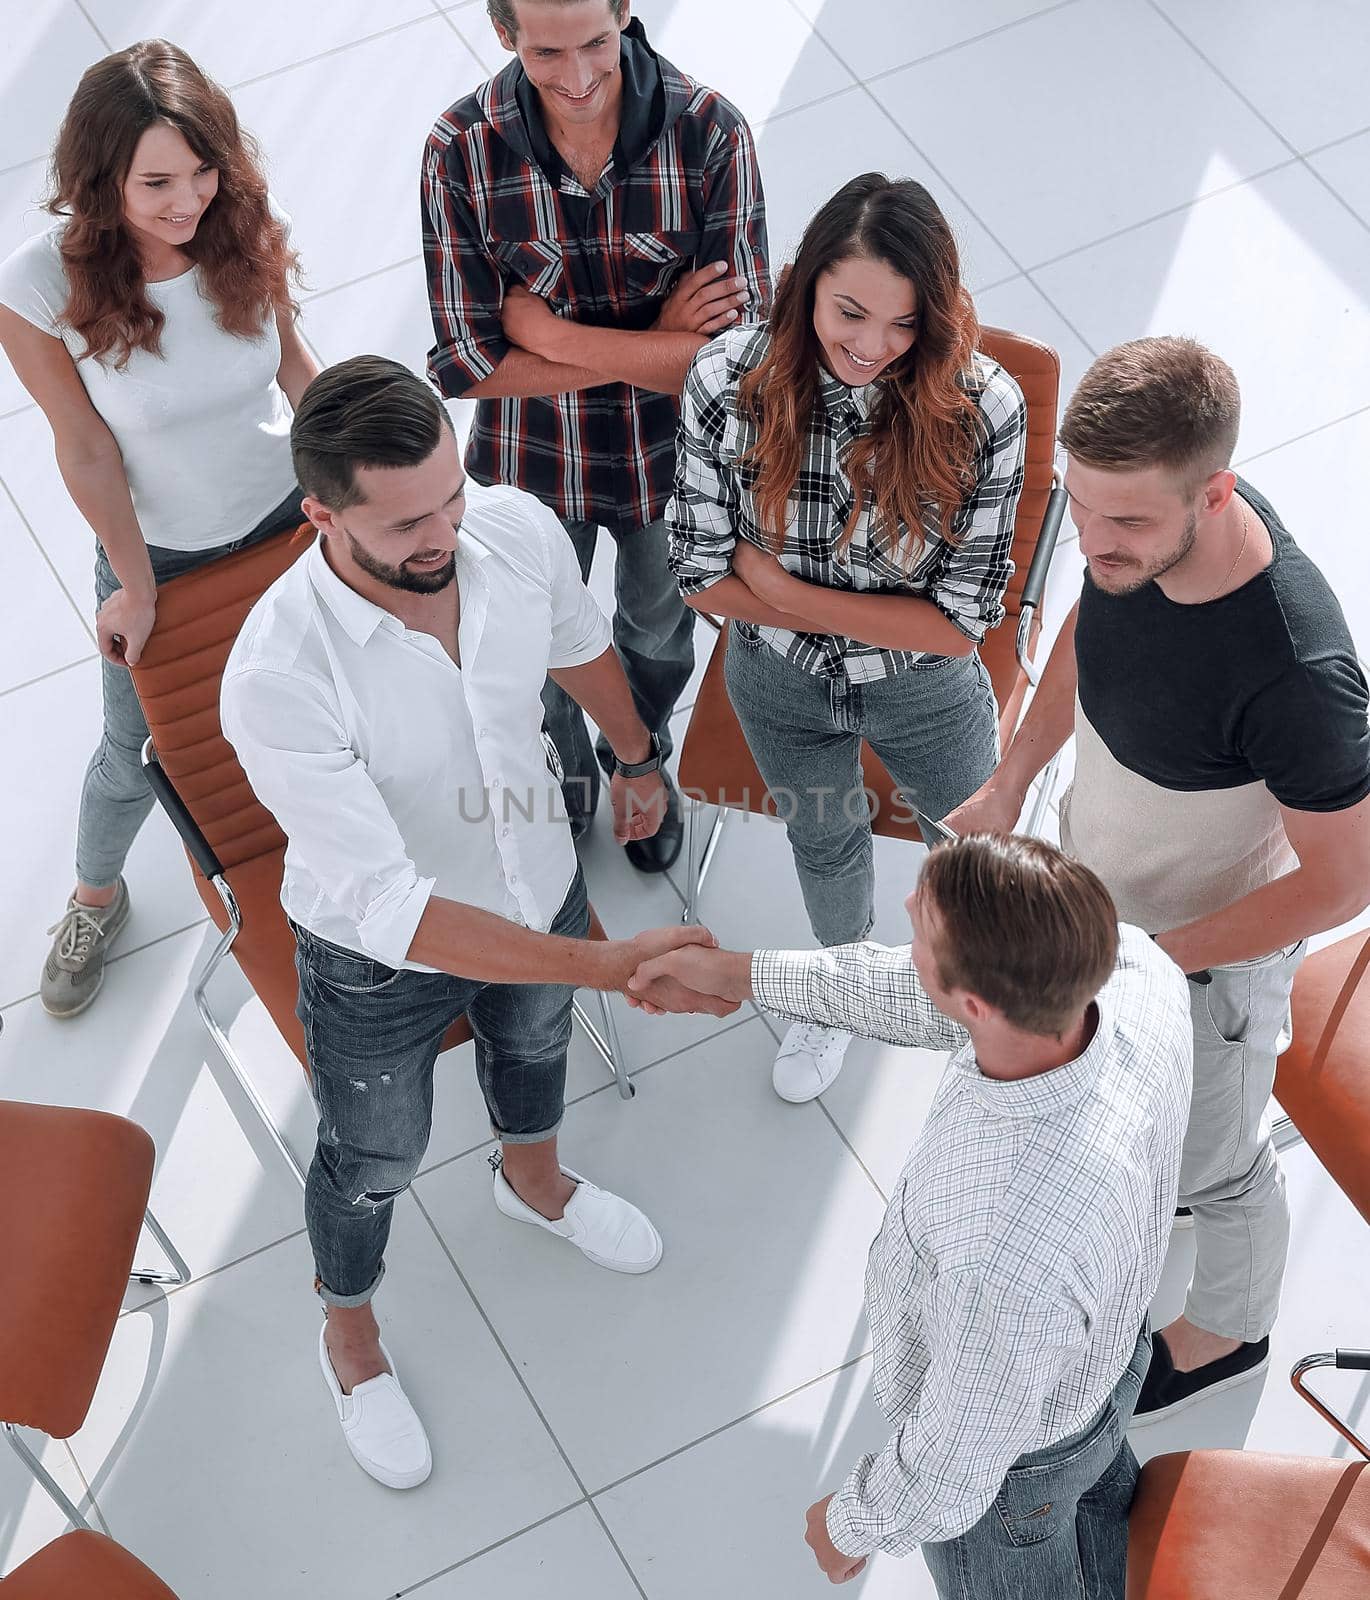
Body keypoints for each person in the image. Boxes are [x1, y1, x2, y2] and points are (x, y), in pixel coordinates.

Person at [222, 357, 725, 1490]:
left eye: (449, 495)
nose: (444, 529)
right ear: (320, 513)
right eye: (406, 521)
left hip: (534, 876)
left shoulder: (505, 525)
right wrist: (603, 958)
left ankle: (532, 1182)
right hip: (375, 959)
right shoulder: (276, 676)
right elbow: (396, 909)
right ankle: (349, 1339)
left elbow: (576, 642)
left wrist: (637, 755)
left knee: (535, 1047)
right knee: (373, 1155)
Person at [947, 337, 1370, 1421]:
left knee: (1216, 1169)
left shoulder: (1298, 674)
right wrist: (1008, 785)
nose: (1091, 541)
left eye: (1122, 521)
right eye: (1076, 507)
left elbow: (1341, 880)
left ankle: (1225, 1327)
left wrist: (1151, 960)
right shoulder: (1135, 543)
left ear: (1213, 491)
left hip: (1200, 964)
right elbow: (1094, 636)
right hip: (1107, 892)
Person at [627, 832, 1192, 1599]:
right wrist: (738, 975)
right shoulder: (1132, 970)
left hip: (1016, 1476)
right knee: (1106, 1538)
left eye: (921, 929)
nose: (902, 909)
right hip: (1110, 1362)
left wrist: (846, 1523)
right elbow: (905, 988)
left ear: (977, 1006)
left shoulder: (1002, 1253)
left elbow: (954, 1467)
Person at [667, 172, 1026, 1104]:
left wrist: (779, 585)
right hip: (777, 681)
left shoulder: (983, 409)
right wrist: (791, 599)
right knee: (824, 847)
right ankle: (842, 997)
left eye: (905, 325)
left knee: (973, 855)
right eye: (850, 313)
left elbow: (960, 624)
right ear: (804, 284)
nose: (872, 348)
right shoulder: (726, 380)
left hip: (924, 688)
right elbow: (701, 572)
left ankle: (984, 1001)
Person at [0, 40, 316, 1019]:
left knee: (311, 706)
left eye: (202, 171)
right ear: (100, 181)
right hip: (159, 556)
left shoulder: (237, 224)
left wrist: (360, 484)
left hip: (285, 515)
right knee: (135, 746)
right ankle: (96, 895)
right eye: (157, 183)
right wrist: (133, 586)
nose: (188, 201)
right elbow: (85, 447)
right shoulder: (38, 286)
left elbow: (296, 370)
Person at [421, 0, 770, 872]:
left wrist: (554, 336)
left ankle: (637, 765)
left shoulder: (711, 135)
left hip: (675, 460)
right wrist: (661, 341)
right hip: (530, 458)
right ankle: (569, 785)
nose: (576, 79)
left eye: (594, 44)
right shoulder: (459, 151)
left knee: (656, 635)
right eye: (545, 53)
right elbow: (467, 364)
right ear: (504, 35)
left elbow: (737, 363)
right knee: (531, 651)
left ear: (625, 12)